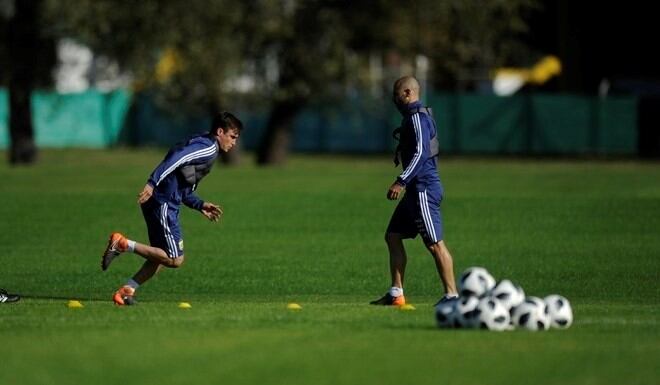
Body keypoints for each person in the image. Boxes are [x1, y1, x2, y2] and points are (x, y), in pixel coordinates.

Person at [101, 112, 243, 305]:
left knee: (160, 254)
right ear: (220, 132)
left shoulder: (202, 141)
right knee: (175, 259)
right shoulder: (208, 148)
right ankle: (123, 244)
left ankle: (127, 291)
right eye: (233, 136)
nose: (234, 142)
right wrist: (152, 182)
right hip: (163, 202)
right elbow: (176, 158)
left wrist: (199, 204)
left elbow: (182, 178)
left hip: (164, 200)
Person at [370, 76, 458, 306]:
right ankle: (396, 293)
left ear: (408, 93)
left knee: (435, 244)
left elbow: (421, 153)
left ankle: (452, 296)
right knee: (393, 236)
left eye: (396, 96)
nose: (394, 100)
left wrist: (401, 181)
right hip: (414, 191)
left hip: (423, 190)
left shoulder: (418, 118)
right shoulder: (413, 118)